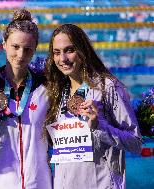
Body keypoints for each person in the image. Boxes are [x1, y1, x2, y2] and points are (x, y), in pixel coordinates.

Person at [44, 24, 142, 189]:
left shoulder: (107, 86)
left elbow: (136, 143)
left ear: (82, 50)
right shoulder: (57, 92)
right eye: (56, 52)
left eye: (69, 50)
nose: (62, 59)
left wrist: (99, 127)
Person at [0, 9, 52, 189]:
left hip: (40, 184)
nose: (21, 55)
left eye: (27, 49)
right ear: (4, 44)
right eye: (15, 47)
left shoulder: (48, 88)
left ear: (35, 49)